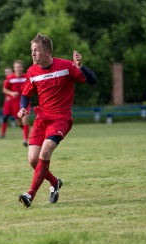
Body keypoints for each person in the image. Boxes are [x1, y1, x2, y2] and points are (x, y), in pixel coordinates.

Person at [17, 33, 97, 208]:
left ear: (47, 52)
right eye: (32, 51)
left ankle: (29, 195)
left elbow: (92, 81)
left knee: (44, 153)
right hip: (42, 118)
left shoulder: (67, 66)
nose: (32, 54)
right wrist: (23, 107)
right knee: (33, 160)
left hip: (61, 119)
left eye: (36, 50)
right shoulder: (32, 71)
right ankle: (54, 183)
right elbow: (26, 93)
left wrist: (81, 67)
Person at [0, 60, 30, 147]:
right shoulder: (10, 78)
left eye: (19, 67)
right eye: (16, 67)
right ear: (14, 68)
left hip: (25, 102)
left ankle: (25, 140)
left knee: (25, 120)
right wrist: (11, 93)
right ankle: (30, 133)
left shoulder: (27, 77)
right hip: (14, 103)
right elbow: (4, 89)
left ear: (22, 68)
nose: (18, 69)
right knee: (19, 122)